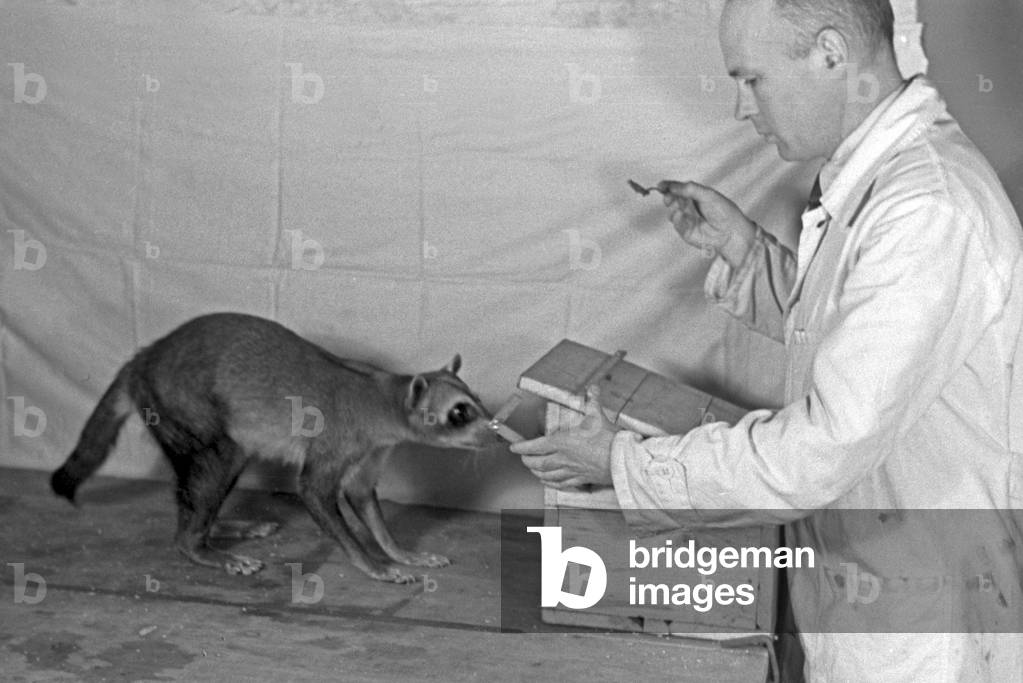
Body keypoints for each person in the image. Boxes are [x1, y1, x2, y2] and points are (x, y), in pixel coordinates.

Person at [511, 0, 1023, 680]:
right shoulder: (889, 184)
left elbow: (820, 450)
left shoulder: (924, 208)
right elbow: (867, 344)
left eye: (750, 80)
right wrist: (747, 255)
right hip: (884, 593)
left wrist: (626, 464)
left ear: (831, 54)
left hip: (927, 632)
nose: (740, 109)